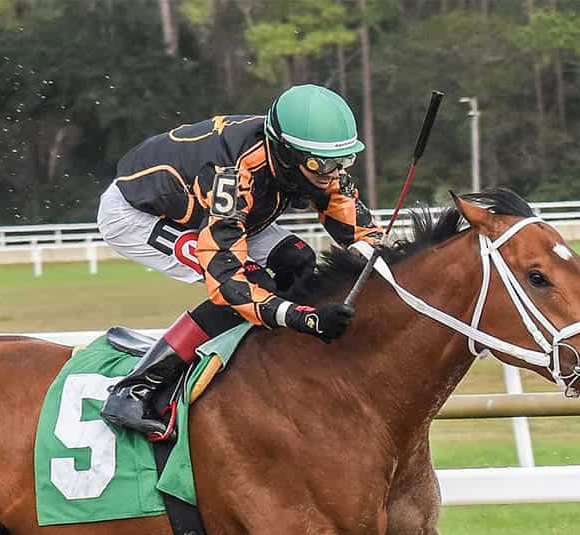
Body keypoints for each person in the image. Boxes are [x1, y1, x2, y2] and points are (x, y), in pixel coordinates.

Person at [96, 83, 385, 437]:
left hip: (225, 211)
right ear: (286, 153)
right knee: (251, 285)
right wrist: (304, 318)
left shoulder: (313, 162)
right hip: (139, 214)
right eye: (320, 164)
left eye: (343, 162)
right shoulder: (231, 178)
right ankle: (136, 389)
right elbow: (229, 283)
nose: (332, 173)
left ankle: (272, 358)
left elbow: (358, 229)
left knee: (298, 261)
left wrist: (374, 252)